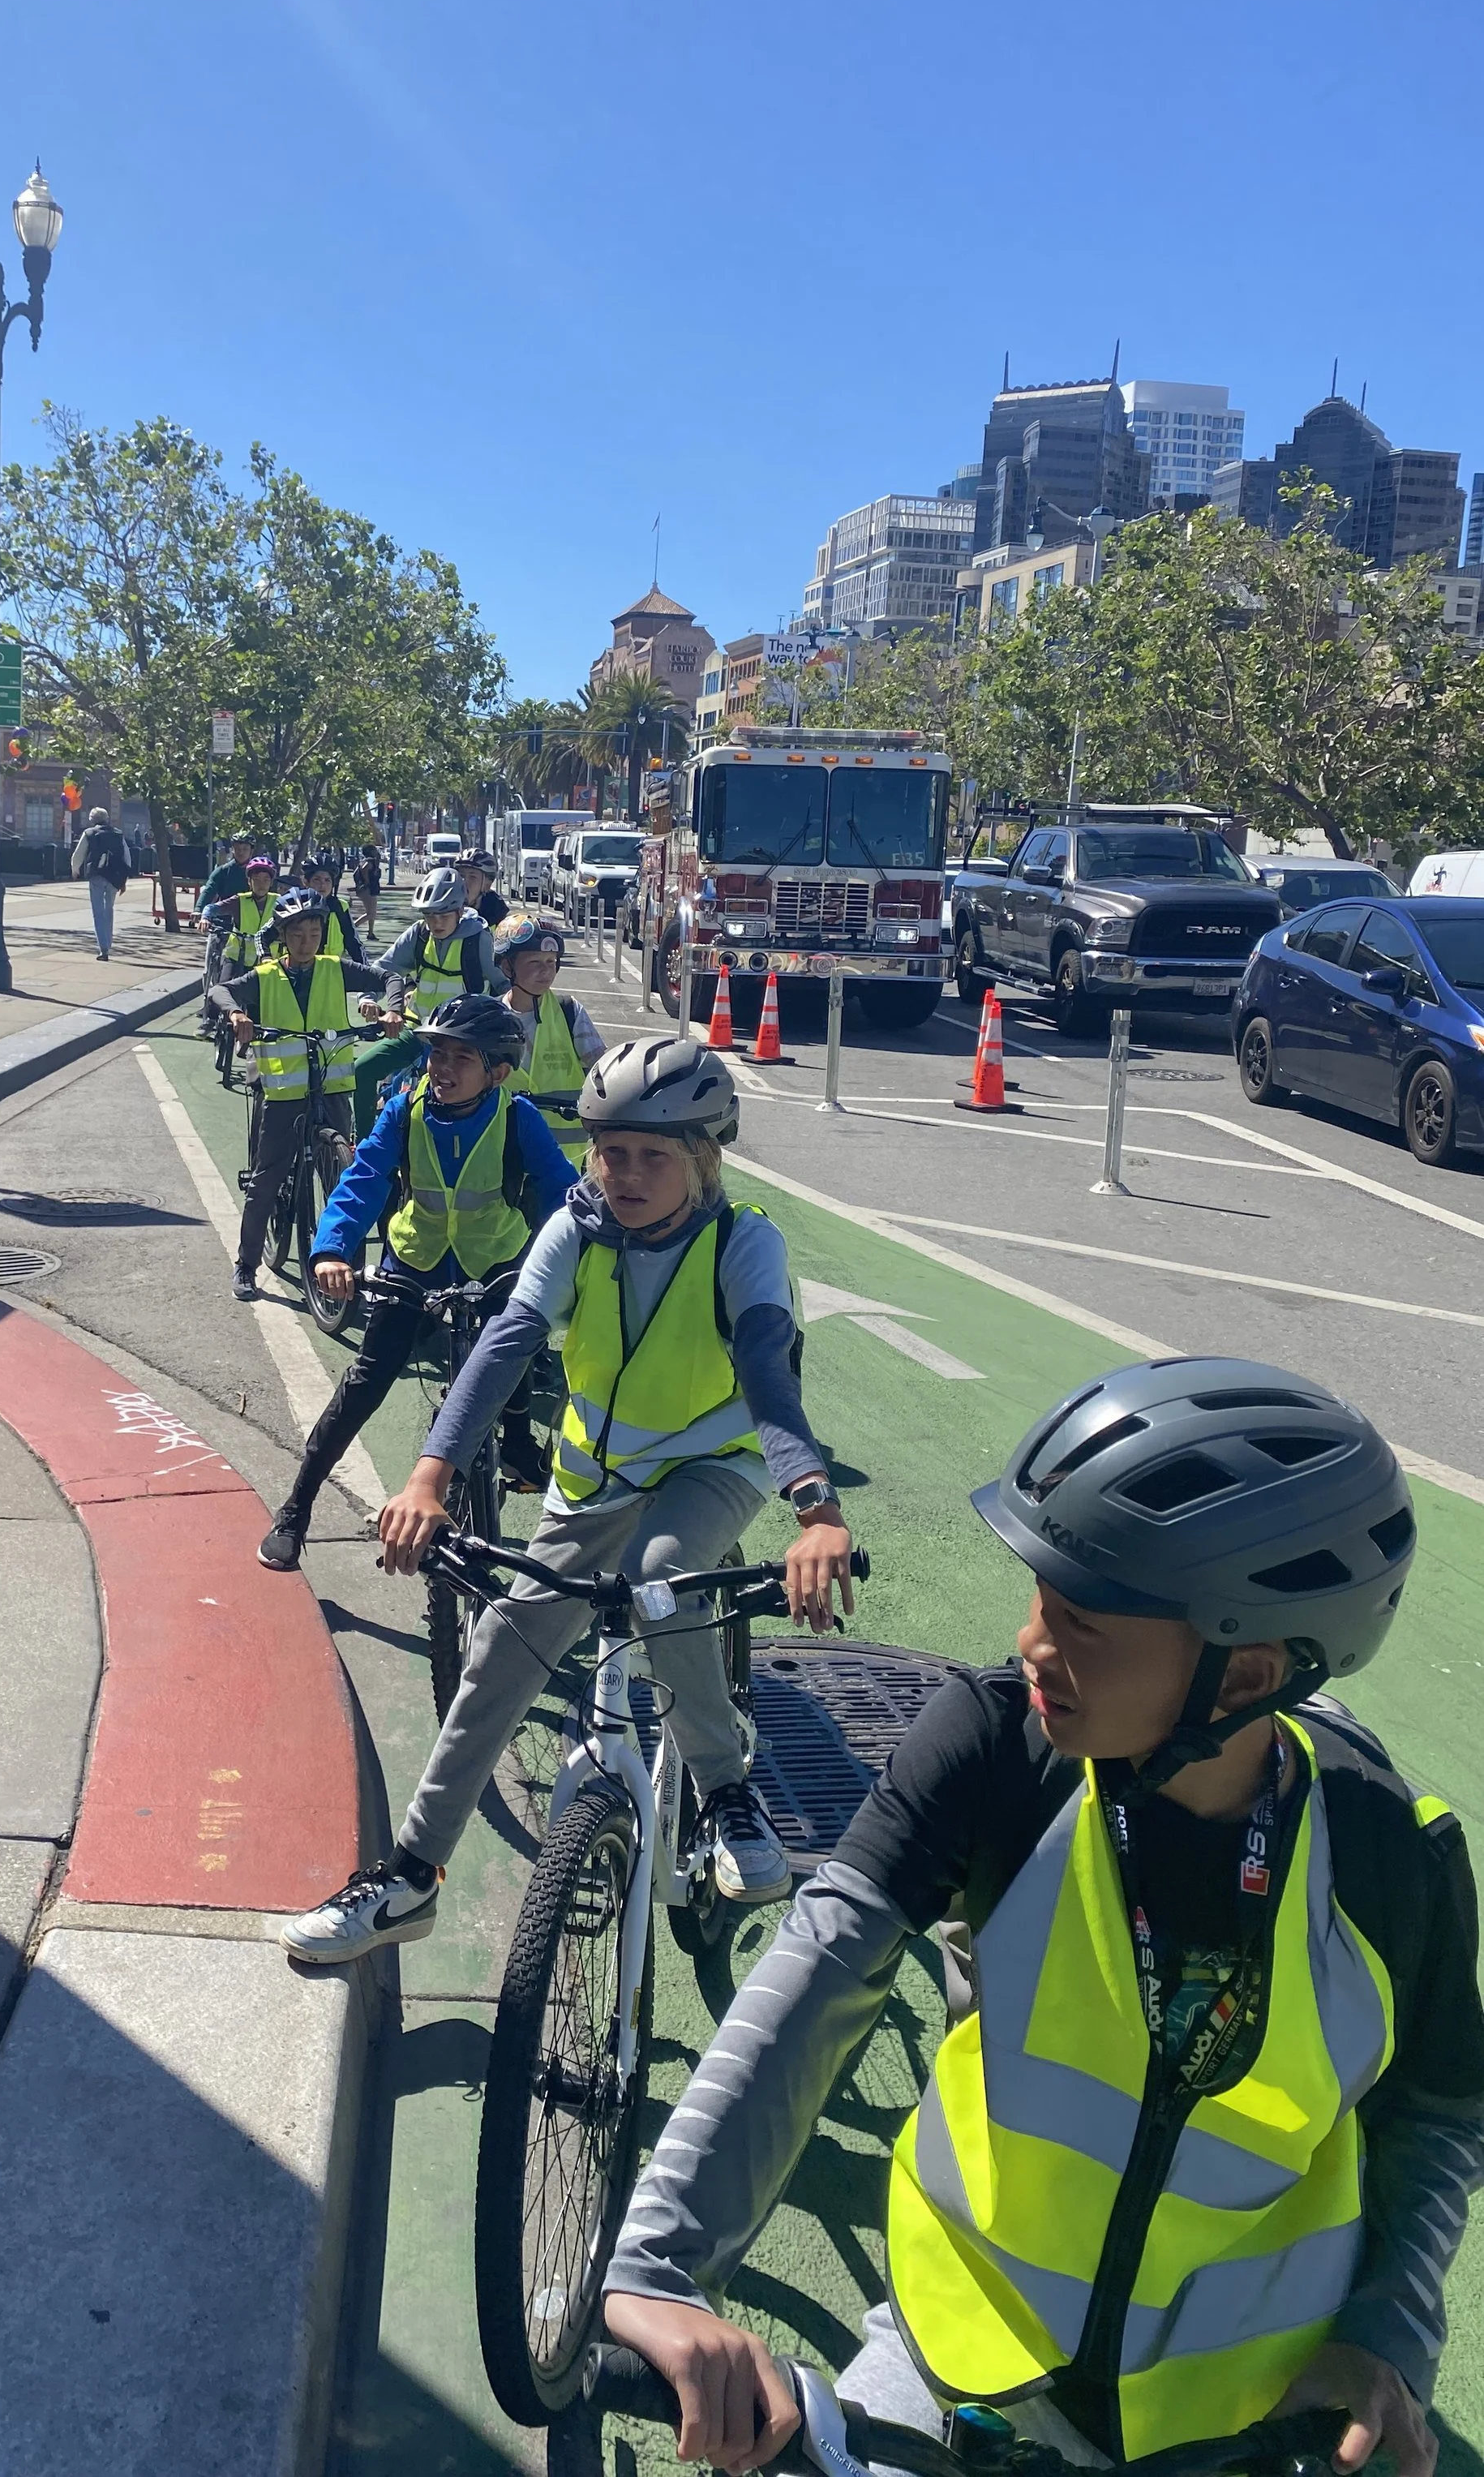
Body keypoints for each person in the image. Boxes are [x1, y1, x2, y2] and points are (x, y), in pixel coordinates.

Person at [601, 1359, 1484, 2477]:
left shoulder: (1387, 1851)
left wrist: (1387, 2340)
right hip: (954, 2362)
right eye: (1038, 1599)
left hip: (1250, 2430)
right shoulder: (994, 1751)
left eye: (1082, 1623)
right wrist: (660, 2263)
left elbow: (1439, 2121)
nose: (1030, 1642)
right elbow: (818, 1971)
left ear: (1240, 1674)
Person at [281, 1038, 849, 1958]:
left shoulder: (744, 1241)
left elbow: (766, 1373)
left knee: (660, 1575)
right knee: (504, 1648)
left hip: (712, 1464)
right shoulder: (576, 1228)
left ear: (702, 1162)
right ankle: (409, 1877)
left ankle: (726, 1795)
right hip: (591, 1476)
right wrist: (429, 1471)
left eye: (652, 1157)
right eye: (610, 1151)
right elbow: (508, 1342)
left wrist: (814, 1505)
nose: (624, 1174)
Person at [254, 993, 576, 1569]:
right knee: (365, 1384)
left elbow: (561, 1192)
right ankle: (296, 1509)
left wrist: (568, 1255)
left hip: (494, 1262)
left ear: (497, 1072)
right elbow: (365, 1177)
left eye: (460, 1057)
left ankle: (520, 1441)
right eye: (436, 1054)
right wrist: (333, 1248)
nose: (441, 1067)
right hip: (415, 1263)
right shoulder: (404, 1110)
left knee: (518, 1345)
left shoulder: (517, 1117)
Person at [213, 888, 392, 1304]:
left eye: (314, 933)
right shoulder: (266, 975)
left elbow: (388, 978)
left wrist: (392, 1008)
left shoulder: (335, 968)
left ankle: (342, 1262)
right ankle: (246, 1264)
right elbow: (221, 992)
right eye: (297, 934)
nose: (306, 942)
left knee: (343, 1178)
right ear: (282, 935)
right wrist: (237, 1013)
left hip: (330, 1090)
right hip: (283, 1094)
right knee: (266, 1180)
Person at [491, 911, 603, 1166]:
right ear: (507, 966)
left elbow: (602, 1074)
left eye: (551, 962)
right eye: (534, 963)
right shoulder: (490, 1018)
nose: (545, 972)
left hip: (565, 1162)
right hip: (504, 1154)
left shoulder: (569, 1012)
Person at [374, 868, 498, 1028]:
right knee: (377, 1054)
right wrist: (368, 998)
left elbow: (505, 987)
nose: (437, 923)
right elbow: (384, 969)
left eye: (445, 916)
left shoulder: (479, 939)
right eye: (429, 916)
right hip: (417, 1028)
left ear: (460, 911)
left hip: (462, 1036)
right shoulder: (419, 934)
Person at [196, 833, 257, 1026]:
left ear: (251, 851)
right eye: (237, 849)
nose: (241, 853)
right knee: (209, 969)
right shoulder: (223, 871)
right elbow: (209, 889)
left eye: (245, 849)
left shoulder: (256, 872)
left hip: (245, 929)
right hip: (221, 925)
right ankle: (209, 1005)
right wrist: (200, 912)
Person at [68, 805, 131, 960]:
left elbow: (79, 854)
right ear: (107, 819)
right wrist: (124, 879)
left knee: (98, 913)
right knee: (109, 910)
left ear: (92, 820)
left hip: (96, 875)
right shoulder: (118, 834)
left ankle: (103, 949)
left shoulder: (89, 833)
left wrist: (75, 869)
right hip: (114, 877)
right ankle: (108, 943)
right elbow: (127, 857)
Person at [219, 854, 281, 981]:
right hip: (236, 957)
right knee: (222, 990)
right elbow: (213, 909)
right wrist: (203, 917)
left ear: (271, 883)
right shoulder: (239, 900)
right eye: (256, 880)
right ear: (249, 882)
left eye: (266, 880)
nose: (261, 884)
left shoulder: (279, 902)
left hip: (267, 959)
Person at [302, 854, 363, 959]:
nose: (322, 885)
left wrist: (365, 971)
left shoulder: (339, 906)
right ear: (306, 882)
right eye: (317, 880)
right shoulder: (295, 905)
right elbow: (266, 935)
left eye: (327, 880)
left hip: (332, 969)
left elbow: (353, 942)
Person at [461, 848, 508, 928]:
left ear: (487, 885)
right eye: (461, 875)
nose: (464, 882)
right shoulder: (444, 911)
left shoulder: (499, 915)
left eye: (473, 877)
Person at [354, 843, 384, 938]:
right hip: (368, 889)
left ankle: (371, 933)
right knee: (370, 913)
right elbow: (365, 869)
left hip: (369, 889)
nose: (376, 852)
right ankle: (353, 926)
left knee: (372, 912)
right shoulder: (370, 861)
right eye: (374, 850)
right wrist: (367, 882)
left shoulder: (364, 860)